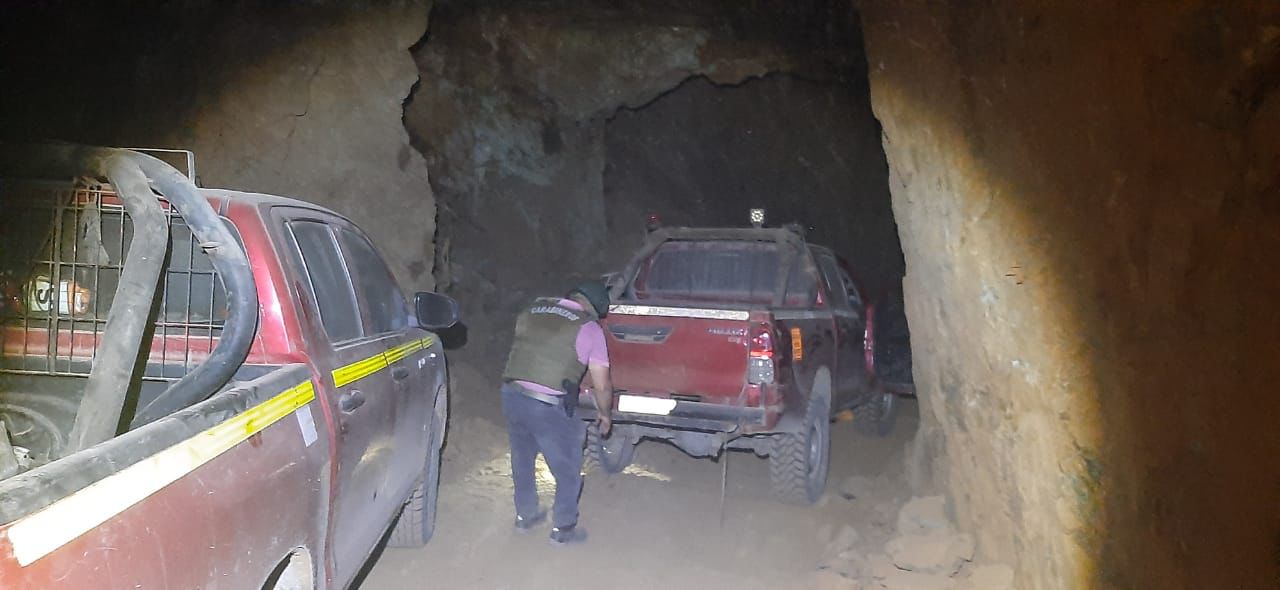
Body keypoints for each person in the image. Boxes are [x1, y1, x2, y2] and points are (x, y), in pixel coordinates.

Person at [500, 281, 613, 545]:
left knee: (522, 459)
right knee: (568, 466)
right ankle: (563, 529)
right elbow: (602, 384)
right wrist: (605, 414)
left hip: (511, 394)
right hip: (547, 404)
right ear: (593, 309)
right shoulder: (589, 327)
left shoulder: (532, 310)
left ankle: (526, 516)